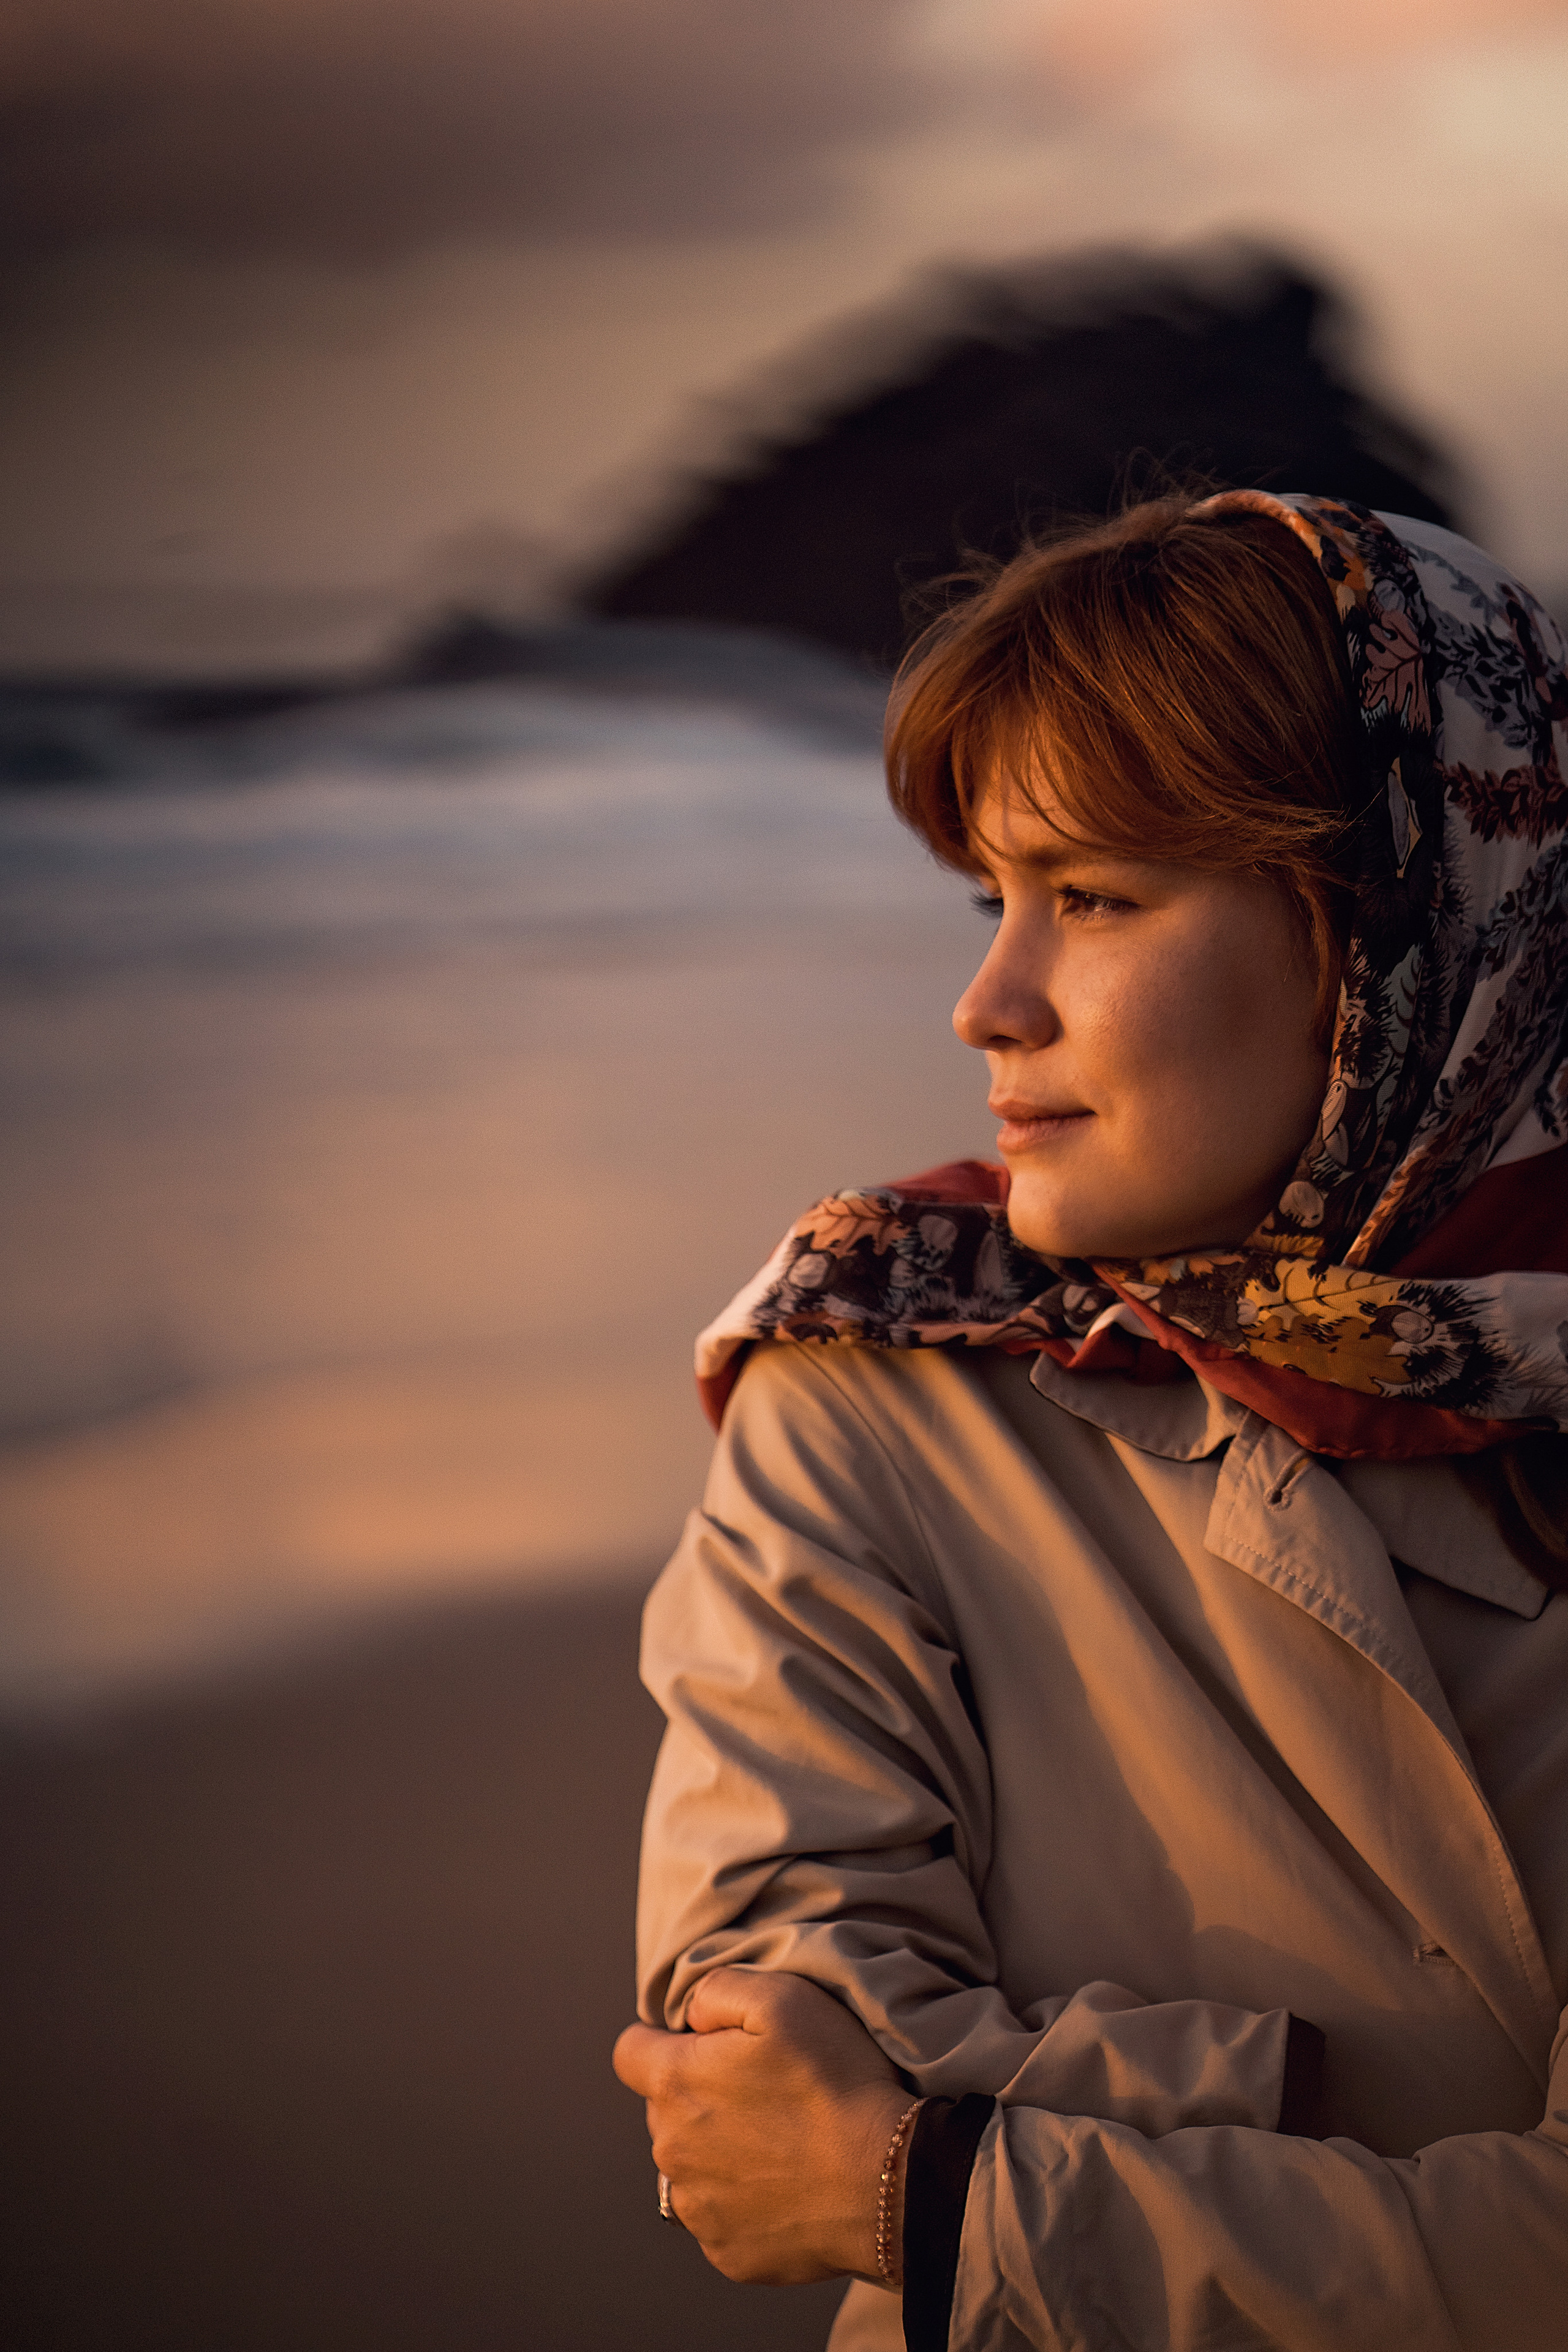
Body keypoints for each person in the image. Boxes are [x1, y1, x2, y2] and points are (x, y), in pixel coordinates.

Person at [612, 489, 1568, 2351]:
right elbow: (756, 2081)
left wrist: (944, 2182)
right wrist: (1421, 2149)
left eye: (1101, 899)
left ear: (1392, 931)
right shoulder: (872, 1383)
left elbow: (858, 2145)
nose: (990, 1004)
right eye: (998, 899)